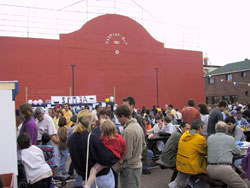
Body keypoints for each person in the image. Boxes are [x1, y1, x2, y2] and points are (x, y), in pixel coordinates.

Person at [68, 110, 117, 188]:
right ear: (90, 122)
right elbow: (107, 159)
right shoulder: (91, 137)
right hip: (101, 178)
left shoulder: (70, 139)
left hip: (85, 178)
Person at [85, 119, 126, 188]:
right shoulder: (120, 138)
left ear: (103, 130)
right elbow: (123, 149)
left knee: (93, 171)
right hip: (116, 159)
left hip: (106, 161)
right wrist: (121, 158)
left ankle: (87, 186)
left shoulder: (103, 139)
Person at [207, 121, 247, 188]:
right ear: (226, 130)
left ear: (215, 129)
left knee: (228, 180)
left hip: (210, 169)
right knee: (243, 186)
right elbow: (238, 151)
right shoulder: (230, 139)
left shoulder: (210, 138)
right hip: (224, 169)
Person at [169, 120, 207, 188]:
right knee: (208, 175)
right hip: (190, 167)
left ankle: (188, 184)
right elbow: (205, 152)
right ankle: (193, 186)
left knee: (191, 164)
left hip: (180, 164)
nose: (203, 130)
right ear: (200, 128)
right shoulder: (200, 138)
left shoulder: (185, 134)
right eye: (203, 128)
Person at [115, 104, 145, 188]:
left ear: (122, 116)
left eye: (118, 118)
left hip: (129, 168)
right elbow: (143, 145)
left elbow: (126, 154)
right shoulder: (138, 126)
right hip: (137, 165)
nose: (118, 121)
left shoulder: (128, 131)